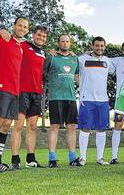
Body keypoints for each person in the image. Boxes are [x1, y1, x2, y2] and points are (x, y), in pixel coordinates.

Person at [0, 17, 29, 172]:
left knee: (6, 125)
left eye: (25, 27)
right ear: (14, 26)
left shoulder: (21, 47)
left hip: (15, 90)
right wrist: (1, 29)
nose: (22, 28)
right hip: (1, 86)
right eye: (20, 25)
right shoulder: (2, 38)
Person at [10, 25, 48, 169]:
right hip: (21, 91)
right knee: (18, 126)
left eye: (44, 36)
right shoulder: (23, 45)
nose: (41, 38)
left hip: (37, 93)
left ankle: (31, 159)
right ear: (33, 35)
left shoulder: (44, 53)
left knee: (32, 127)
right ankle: (15, 160)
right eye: (39, 35)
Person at [76, 36, 115, 166]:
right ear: (92, 46)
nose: (99, 48)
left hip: (103, 100)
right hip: (86, 100)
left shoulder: (108, 61)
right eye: (97, 45)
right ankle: (82, 158)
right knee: (85, 128)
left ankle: (100, 158)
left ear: (104, 47)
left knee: (101, 129)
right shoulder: (82, 59)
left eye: (102, 46)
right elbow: (70, 61)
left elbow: (122, 65)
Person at [44, 34, 80, 168]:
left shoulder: (74, 58)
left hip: (71, 98)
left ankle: (72, 157)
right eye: (62, 41)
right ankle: (52, 158)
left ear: (70, 43)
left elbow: (77, 77)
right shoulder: (51, 57)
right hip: (55, 97)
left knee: (71, 127)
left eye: (67, 41)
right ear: (58, 43)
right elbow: (43, 71)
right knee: (55, 127)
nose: (65, 43)